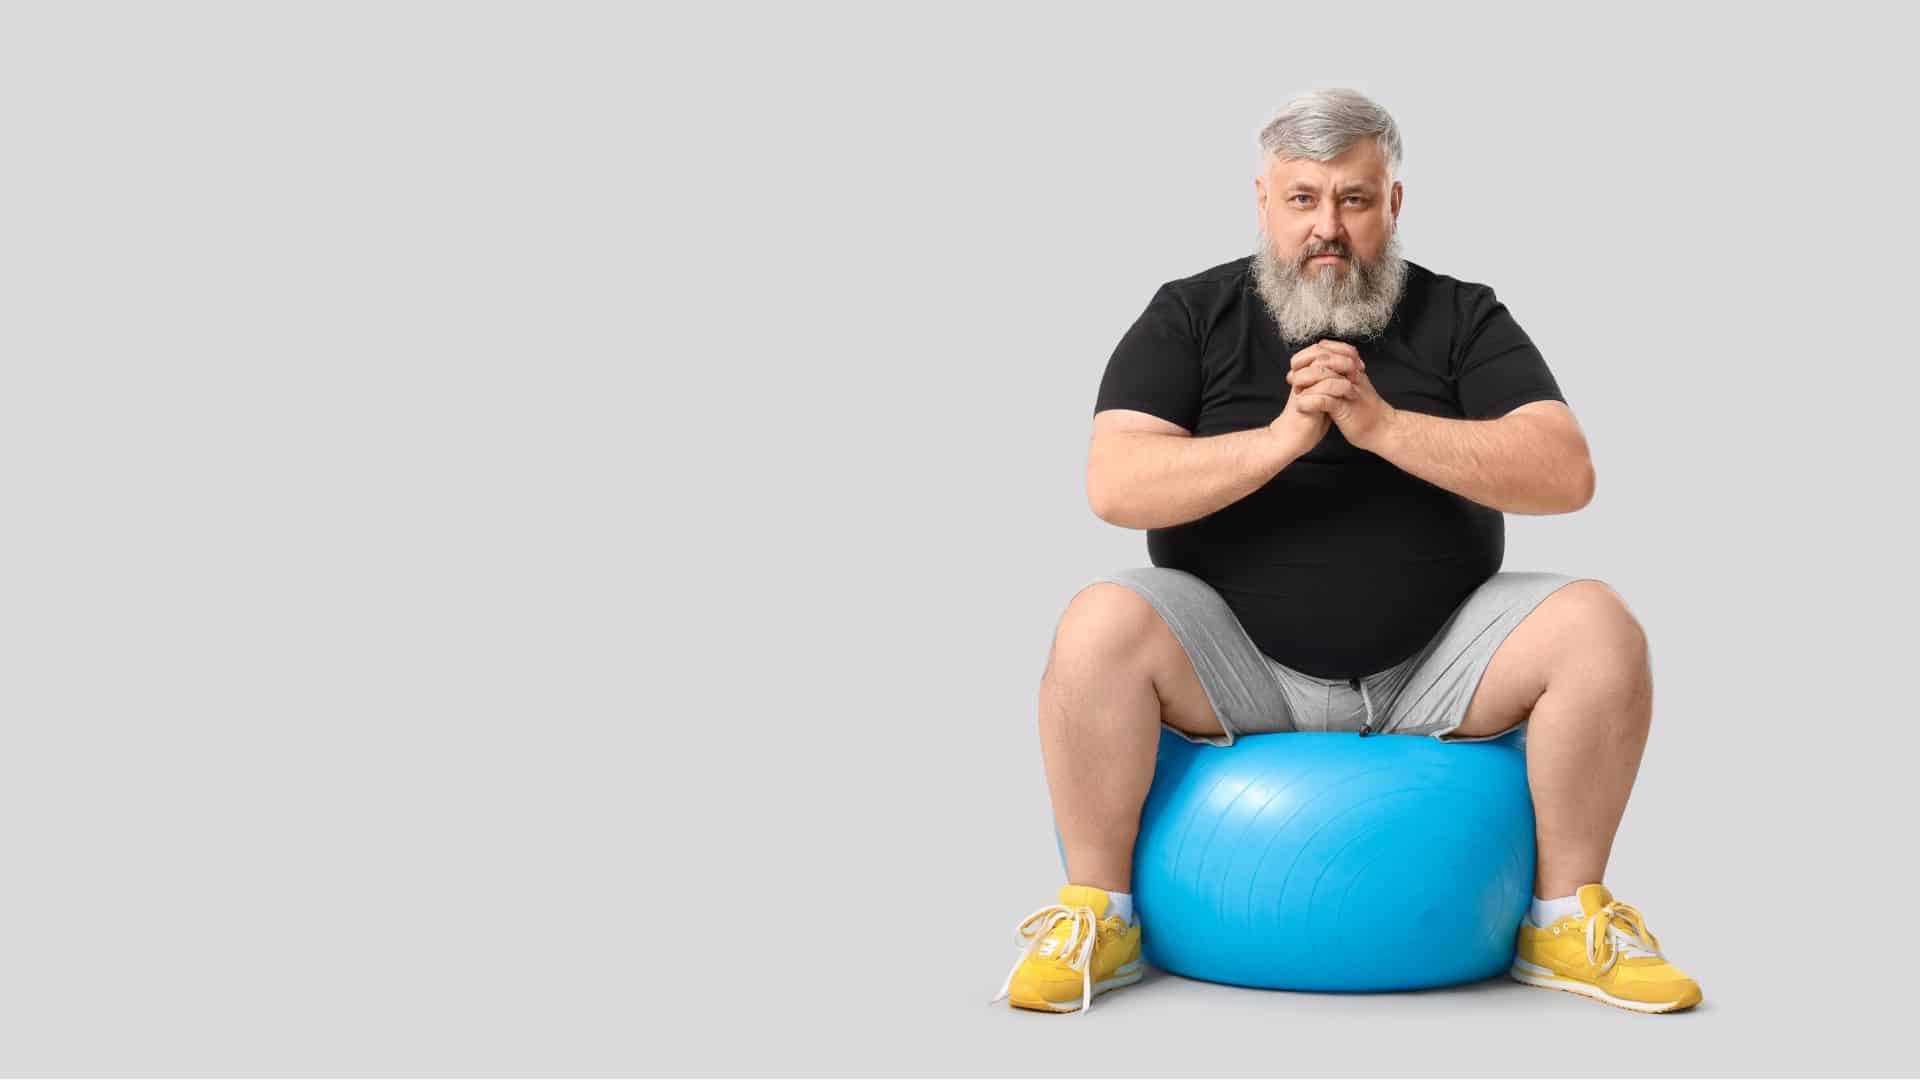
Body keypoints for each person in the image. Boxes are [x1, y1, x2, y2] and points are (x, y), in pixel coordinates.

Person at [991, 88, 1702, 1016]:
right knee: (1097, 622)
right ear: (1264, 202)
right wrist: (1285, 437)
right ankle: (1099, 911)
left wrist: (1381, 426)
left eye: (1354, 199)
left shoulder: (1462, 315)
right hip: (1234, 666)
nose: (1328, 226)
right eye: (1304, 199)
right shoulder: (1191, 313)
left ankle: (1565, 920)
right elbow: (1115, 483)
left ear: (1391, 206)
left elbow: (1564, 472)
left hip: (1436, 665)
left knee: (1599, 626)